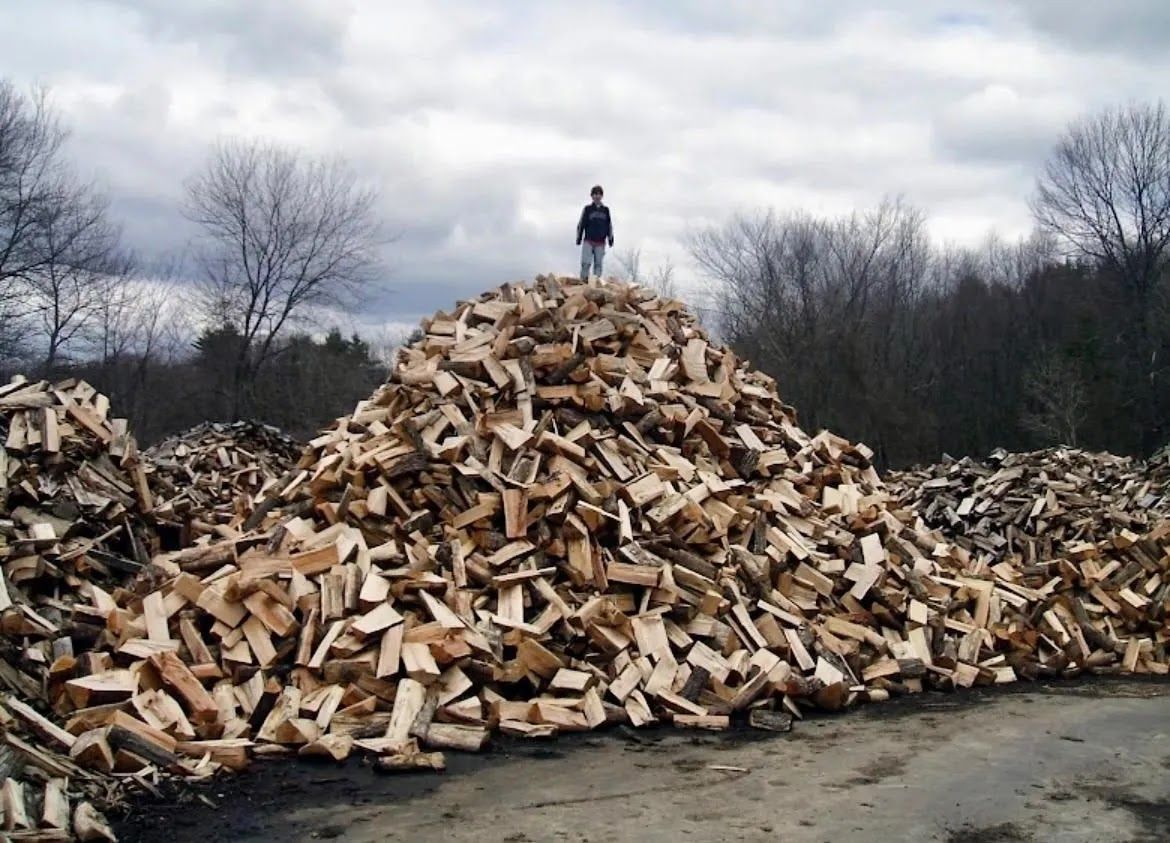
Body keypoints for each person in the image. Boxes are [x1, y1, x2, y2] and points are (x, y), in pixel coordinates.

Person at [576, 185, 613, 280]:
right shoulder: (587, 209)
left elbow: (609, 225)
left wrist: (610, 238)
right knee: (586, 263)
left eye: (599, 194)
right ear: (591, 196)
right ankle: (583, 281)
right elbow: (581, 224)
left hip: (600, 242)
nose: (597, 196)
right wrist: (579, 238)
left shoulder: (606, 210)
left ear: (602, 196)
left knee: (598, 264)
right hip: (588, 240)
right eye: (595, 194)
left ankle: (596, 283)